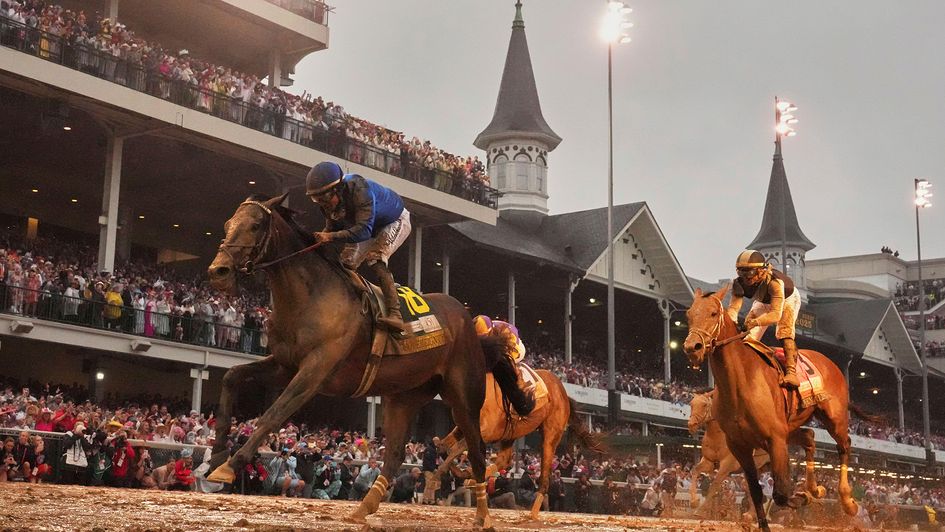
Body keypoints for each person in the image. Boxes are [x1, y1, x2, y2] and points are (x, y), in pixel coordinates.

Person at [305, 161, 413, 334]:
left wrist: (329, 236)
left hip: (394, 221)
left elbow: (363, 231)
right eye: (316, 199)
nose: (322, 204)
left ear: (337, 189)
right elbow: (331, 230)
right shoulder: (328, 204)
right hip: (368, 224)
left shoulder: (359, 190)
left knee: (374, 258)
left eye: (324, 198)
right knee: (345, 264)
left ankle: (395, 314)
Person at [726, 249, 802, 388]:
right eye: (741, 272)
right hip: (763, 301)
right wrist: (733, 324)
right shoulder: (738, 283)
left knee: (784, 332)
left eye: (749, 272)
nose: (746, 277)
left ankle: (791, 372)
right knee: (747, 337)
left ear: (761, 271)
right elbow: (733, 309)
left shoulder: (775, 282)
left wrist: (755, 322)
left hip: (787, 300)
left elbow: (775, 315)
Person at [472, 315, 535, 416]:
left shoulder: (505, 332)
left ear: (490, 330)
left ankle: (519, 389)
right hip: (496, 346)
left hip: (514, 348)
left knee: (504, 363)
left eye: (484, 337)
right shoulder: (477, 329)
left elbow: (509, 355)